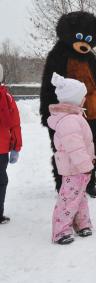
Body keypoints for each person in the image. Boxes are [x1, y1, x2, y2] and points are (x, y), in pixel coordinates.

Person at [48, 73, 95, 244]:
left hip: (79, 168)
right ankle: (60, 231)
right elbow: (75, 148)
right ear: (74, 100)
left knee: (80, 196)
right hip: (74, 167)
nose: (84, 100)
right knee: (68, 199)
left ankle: (82, 224)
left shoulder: (74, 117)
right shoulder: (69, 121)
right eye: (82, 97)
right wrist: (85, 165)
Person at [0, 63, 22, 224]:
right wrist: (16, 147)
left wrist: (16, 147)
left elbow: (14, 124)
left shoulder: (6, 98)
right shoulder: (6, 97)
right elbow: (14, 125)